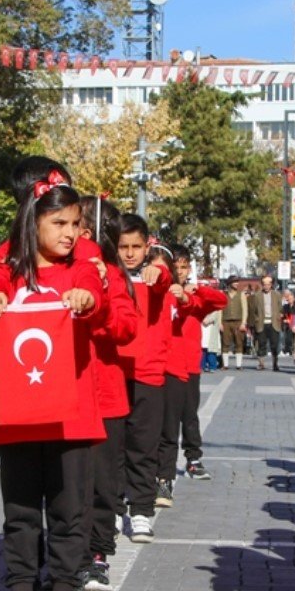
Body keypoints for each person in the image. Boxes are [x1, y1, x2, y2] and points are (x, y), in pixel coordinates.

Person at [0, 178, 105, 591]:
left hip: (71, 412)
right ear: (34, 223)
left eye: (75, 223)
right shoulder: (8, 270)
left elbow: (95, 293)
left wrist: (87, 299)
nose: (70, 232)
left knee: (70, 510)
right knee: (21, 509)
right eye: (59, 223)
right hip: (20, 410)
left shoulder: (83, 269)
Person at [82, 200, 139, 591]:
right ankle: (68, 555)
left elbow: (126, 328)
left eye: (81, 225)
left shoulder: (114, 277)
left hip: (104, 394)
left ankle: (98, 552)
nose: (73, 234)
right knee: (70, 486)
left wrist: (99, 294)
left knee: (103, 484)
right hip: (61, 393)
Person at [114, 217, 171, 541]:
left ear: (147, 246)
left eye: (136, 247)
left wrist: (158, 272)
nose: (130, 254)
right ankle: (114, 505)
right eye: (124, 247)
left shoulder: (155, 276)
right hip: (114, 372)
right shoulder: (108, 276)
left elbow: (163, 278)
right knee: (114, 448)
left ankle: (141, 510)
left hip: (148, 374)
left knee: (144, 448)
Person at [159, 250, 227, 491]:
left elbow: (220, 301)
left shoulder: (194, 296)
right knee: (166, 421)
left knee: (190, 416)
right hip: (166, 366)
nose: (180, 271)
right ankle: (163, 470)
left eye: (184, 266)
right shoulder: (161, 293)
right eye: (175, 266)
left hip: (190, 365)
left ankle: (193, 458)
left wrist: (195, 289)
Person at [253, 274, 288, 370]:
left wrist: (280, 314)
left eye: (269, 284)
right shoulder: (257, 295)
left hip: (274, 322)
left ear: (271, 284)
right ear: (262, 284)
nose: (266, 286)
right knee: (261, 344)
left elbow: (280, 308)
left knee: (274, 344)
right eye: (264, 284)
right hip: (261, 322)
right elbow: (254, 310)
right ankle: (261, 363)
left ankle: (275, 364)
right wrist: (256, 320)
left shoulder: (277, 294)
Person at [221, 279, 249, 369]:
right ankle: (225, 365)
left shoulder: (241, 294)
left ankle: (239, 365)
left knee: (239, 342)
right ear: (229, 284)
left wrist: (243, 323)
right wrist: (219, 323)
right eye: (234, 282)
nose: (237, 284)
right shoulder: (223, 295)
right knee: (225, 342)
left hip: (238, 321)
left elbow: (245, 310)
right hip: (225, 321)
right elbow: (220, 309)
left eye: (237, 282)